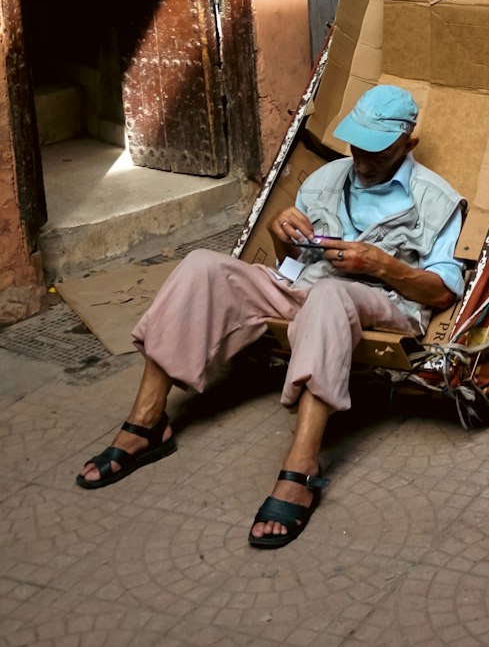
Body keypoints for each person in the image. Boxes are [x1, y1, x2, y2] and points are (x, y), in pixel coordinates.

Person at [75, 85, 466, 549]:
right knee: (203, 266)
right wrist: (284, 231)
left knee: (331, 297)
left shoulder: (436, 200)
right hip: (303, 287)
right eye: (357, 144)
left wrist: (380, 264)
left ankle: (301, 467)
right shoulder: (327, 178)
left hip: (383, 302)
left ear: (408, 145)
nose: (361, 160)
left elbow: (442, 292)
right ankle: (146, 424)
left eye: (376, 150)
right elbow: (292, 261)